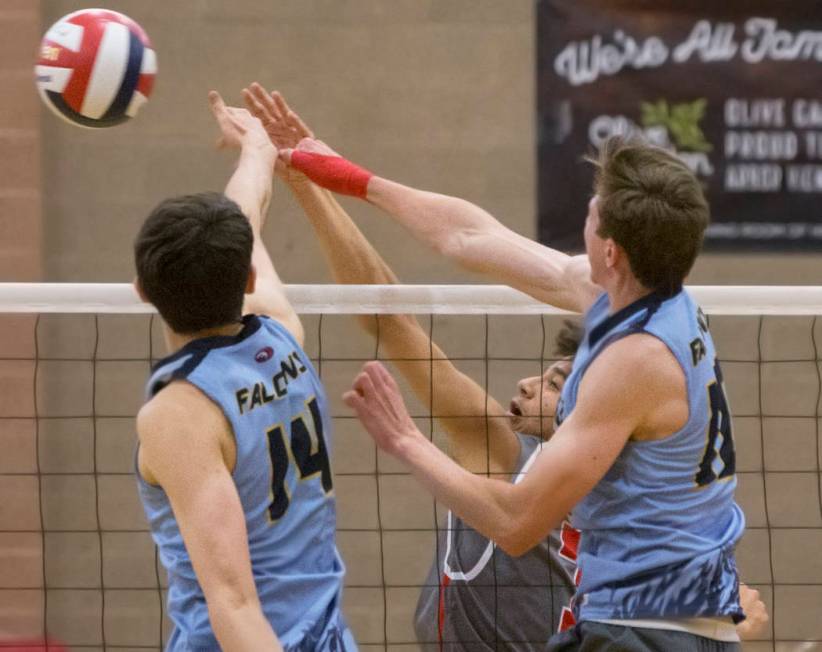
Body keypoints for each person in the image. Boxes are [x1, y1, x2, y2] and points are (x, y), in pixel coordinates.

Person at [245, 87, 768, 650]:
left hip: (648, 630)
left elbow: (517, 524)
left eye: (592, 213)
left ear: (611, 250)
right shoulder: (641, 297)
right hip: (649, 618)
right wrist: (343, 174)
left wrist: (405, 441)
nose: (584, 217)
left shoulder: (636, 360)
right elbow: (469, 236)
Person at [133, 93, 356, 651]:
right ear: (250, 278)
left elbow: (233, 604)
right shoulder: (282, 336)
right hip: (326, 637)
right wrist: (257, 147)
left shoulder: (178, 417)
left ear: (141, 292)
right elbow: (246, 214)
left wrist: (256, 150)